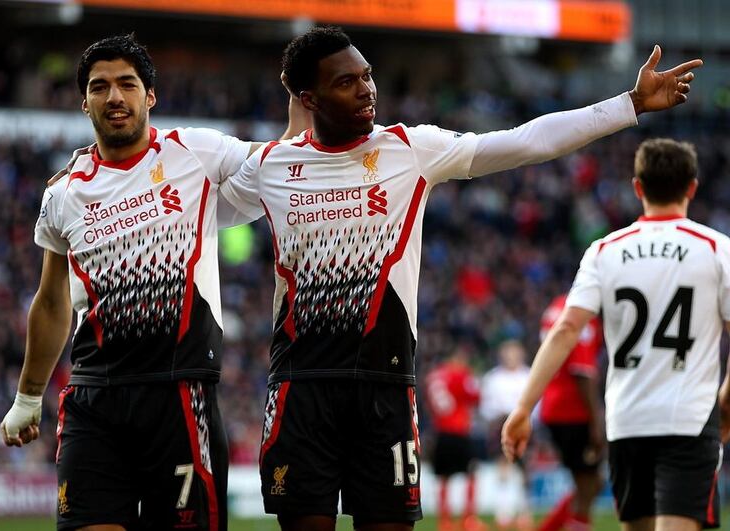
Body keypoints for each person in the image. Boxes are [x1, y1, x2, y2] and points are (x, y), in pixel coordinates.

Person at [218, 26, 702, 531]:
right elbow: (204, 213)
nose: (366, 90)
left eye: (367, 76)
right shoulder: (271, 166)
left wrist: (629, 104)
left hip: (384, 387)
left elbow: (526, 142)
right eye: (346, 82)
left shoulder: (411, 149)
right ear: (308, 97)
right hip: (300, 388)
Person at [0, 34, 306, 531]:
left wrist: (302, 97)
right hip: (93, 398)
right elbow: (52, 301)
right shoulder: (63, 193)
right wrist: (28, 397)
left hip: (179, 393)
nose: (114, 97)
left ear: (150, 96)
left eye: (127, 84)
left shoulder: (195, 152)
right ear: (84, 102)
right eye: (100, 87)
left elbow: (286, 161)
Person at [502, 138, 730, 531]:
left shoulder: (605, 250)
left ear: (637, 187)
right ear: (692, 187)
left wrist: (524, 408)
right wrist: (726, 397)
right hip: (688, 419)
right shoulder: (716, 248)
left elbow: (566, 329)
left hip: (627, 421)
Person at [536, 295, 604, 531]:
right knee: (588, 486)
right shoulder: (582, 311)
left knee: (589, 483)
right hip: (573, 410)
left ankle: (548, 528)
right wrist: (596, 421)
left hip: (553, 405)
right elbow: (582, 371)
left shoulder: (556, 306)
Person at [424, 346, 483, 531]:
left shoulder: (433, 376)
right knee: (472, 472)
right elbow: (475, 397)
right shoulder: (460, 374)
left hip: (440, 432)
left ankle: (445, 522)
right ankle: (469, 520)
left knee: (443, 477)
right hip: (459, 430)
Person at [479, 340, 533, 530]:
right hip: (500, 427)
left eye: (515, 352)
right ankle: (504, 512)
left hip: (525, 426)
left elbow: (537, 403)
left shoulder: (529, 376)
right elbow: (485, 407)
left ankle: (524, 512)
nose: (511, 356)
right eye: (508, 352)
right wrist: (499, 416)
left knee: (526, 469)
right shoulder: (493, 378)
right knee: (503, 467)